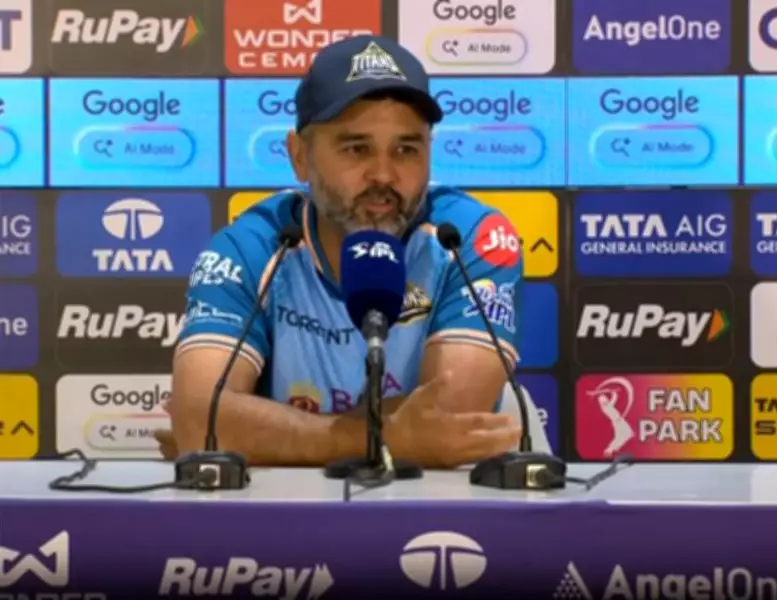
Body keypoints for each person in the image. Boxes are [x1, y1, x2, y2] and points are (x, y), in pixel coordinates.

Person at [155, 35, 524, 469]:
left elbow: (451, 420)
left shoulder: (466, 239)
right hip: (287, 507)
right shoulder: (251, 247)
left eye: (406, 149)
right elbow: (200, 421)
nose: (383, 174)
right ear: (300, 156)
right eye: (356, 148)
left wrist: (258, 432)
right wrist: (389, 439)